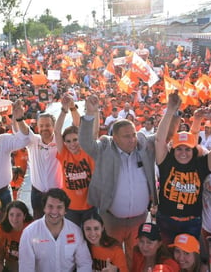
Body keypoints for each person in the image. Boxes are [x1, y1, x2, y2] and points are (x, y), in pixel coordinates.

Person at [79, 94, 158, 269]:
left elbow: (164, 137)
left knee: (136, 259)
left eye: (133, 135)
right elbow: (85, 143)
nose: (132, 140)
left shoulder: (143, 146)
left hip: (139, 219)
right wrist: (90, 113)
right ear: (115, 138)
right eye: (126, 136)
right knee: (111, 259)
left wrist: (172, 113)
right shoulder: (105, 147)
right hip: (112, 219)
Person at [155, 92, 211, 245]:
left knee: (189, 261)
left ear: (193, 150)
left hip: (191, 223)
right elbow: (159, 139)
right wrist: (169, 110)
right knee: (167, 257)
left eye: (187, 149)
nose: (183, 153)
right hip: (166, 220)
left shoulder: (200, 164)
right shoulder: (166, 162)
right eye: (179, 149)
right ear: (173, 150)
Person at [19, 188, 92, 271]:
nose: (54, 211)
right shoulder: (29, 233)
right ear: (44, 208)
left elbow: (84, 263)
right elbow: (26, 268)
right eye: (50, 206)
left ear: (65, 210)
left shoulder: (76, 231)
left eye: (59, 207)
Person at [55, 94, 96, 226]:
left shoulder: (88, 150)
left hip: (91, 206)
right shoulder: (64, 153)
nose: (72, 144)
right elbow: (56, 131)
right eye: (68, 141)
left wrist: (73, 109)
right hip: (71, 208)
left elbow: (84, 128)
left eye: (75, 140)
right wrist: (64, 110)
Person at [26, 112, 63, 219]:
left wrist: (67, 110)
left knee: (58, 223)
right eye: (41, 126)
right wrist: (18, 118)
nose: (44, 128)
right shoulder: (33, 141)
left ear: (54, 126)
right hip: (37, 193)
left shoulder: (61, 141)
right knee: (39, 224)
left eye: (47, 125)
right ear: (37, 127)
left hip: (57, 194)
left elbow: (76, 127)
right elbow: (22, 131)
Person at [0, 200, 33, 272]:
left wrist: (25, 255)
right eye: (11, 214)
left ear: (24, 216)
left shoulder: (32, 228)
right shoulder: (4, 227)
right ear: (7, 216)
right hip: (9, 267)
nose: (14, 218)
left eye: (18, 215)